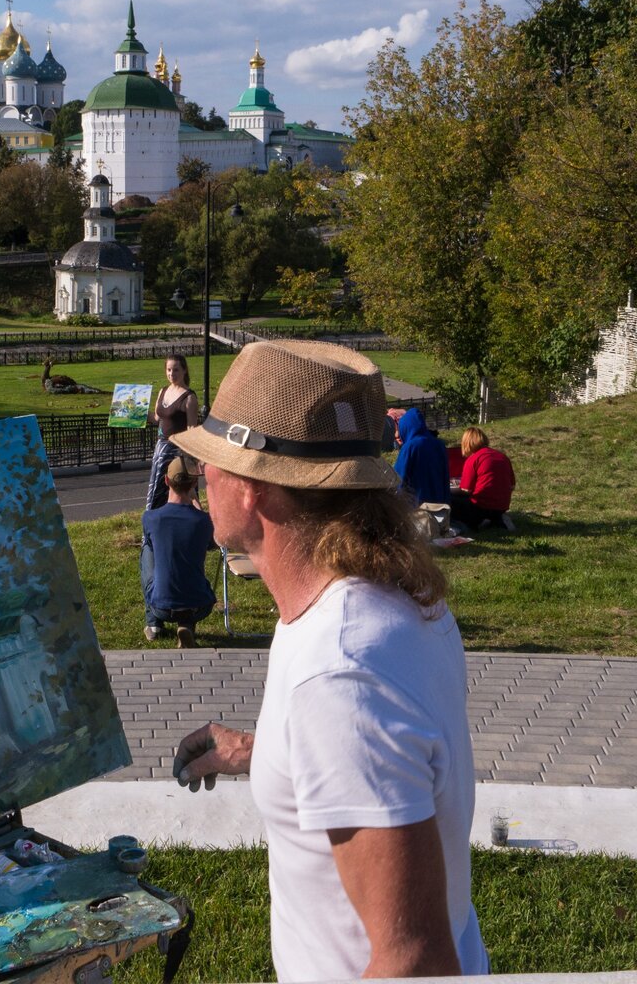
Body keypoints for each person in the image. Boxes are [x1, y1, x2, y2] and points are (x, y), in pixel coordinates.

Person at [168, 340, 489, 982]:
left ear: (254, 489)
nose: (202, 473)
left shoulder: (340, 672)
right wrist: (265, 752)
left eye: (213, 460)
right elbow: (385, 754)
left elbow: (415, 963)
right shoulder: (379, 601)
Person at [140, 455, 215, 647]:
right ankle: (186, 625)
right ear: (194, 483)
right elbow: (211, 544)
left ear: (166, 480)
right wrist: (197, 504)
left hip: (161, 607)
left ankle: (153, 624)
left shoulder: (151, 518)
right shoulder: (204, 521)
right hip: (200, 606)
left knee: (149, 547)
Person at [145, 355, 200, 510]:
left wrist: (191, 458)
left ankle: (197, 522)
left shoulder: (189, 398)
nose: (171, 374)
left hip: (177, 450)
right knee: (158, 489)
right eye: (169, 370)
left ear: (184, 370)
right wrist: (137, 413)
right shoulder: (163, 391)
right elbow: (157, 419)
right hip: (161, 448)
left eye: (176, 370)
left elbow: (191, 429)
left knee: (184, 490)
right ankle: (155, 522)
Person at [451, 426, 516, 531]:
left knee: (450, 500)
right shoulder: (502, 456)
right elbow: (512, 486)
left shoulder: (473, 459)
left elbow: (466, 490)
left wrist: (449, 490)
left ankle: (479, 521)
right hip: (502, 507)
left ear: (467, 443)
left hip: (480, 506)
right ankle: (496, 519)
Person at [393, 406, 451, 506]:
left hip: (417, 505)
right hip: (440, 504)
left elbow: (398, 478)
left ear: (405, 427)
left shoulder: (410, 447)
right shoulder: (439, 444)